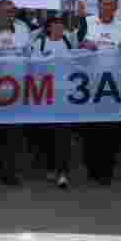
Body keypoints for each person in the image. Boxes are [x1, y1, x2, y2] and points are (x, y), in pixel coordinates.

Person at [76, 0, 121, 185]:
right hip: (90, 83)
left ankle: (107, 169)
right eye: (104, 4)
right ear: (98, 5)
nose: (108, 8)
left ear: (116, 7)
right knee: (92, 128)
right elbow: (75, 48)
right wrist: (83, 45)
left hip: (112, 85)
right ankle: (92, 167)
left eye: (111, 4)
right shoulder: (86, 22)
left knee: (111, 128)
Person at [0, 0, 32, 184]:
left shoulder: (23, 30)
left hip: (18, 87)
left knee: (14, 131)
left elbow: (29, 56)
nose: (9, 15)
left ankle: (10, 171)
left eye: (12, 11)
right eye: (6, 11)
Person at [31, 15, 77, 188]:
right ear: (49, 28)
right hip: (45, 94)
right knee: (47, 133)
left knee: (63, 133)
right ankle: (50, 166)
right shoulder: (40, 43)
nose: (59, 29)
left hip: (64, 94)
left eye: (61, 26)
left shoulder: (69, 42)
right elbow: (33, 66)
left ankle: (63, 171)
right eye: (55, 26)